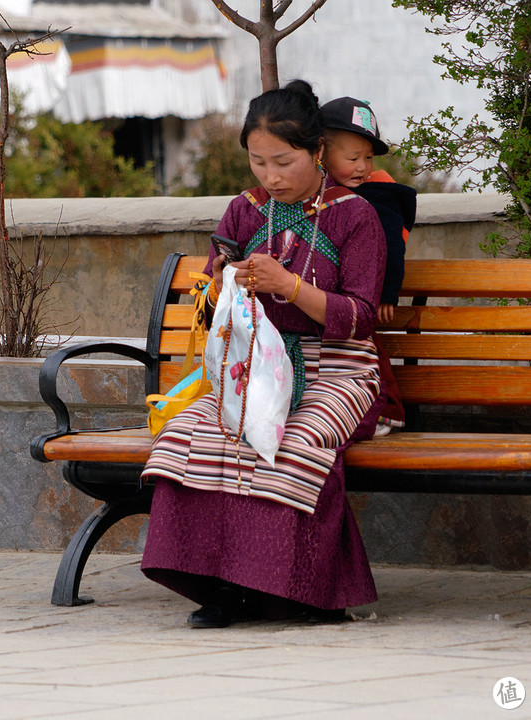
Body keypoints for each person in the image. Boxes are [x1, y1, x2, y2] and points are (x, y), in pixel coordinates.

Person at [140, 80, 387, 628]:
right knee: (196, 435)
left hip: (337, 369)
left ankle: (300, 593)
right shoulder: (245, 212)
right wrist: (227, 280)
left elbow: (361, 317)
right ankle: (224, 590)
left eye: (284, 161)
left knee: (293, 442)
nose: (270, 177)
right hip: (253, 366)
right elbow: (213, 282)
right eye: (258, 162)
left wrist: (289, 285)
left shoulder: (355, 217)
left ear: (317, 152)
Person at [320, 96, 417, 433]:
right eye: (352, 158)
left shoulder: (377, 194)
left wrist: (387, 293)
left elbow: (391, 244)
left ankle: (388, 409)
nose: (362, 166)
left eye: (368, 157)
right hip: (326, 299)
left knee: (367, 349)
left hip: (362, 297)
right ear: (320, 152)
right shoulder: (314, 191)